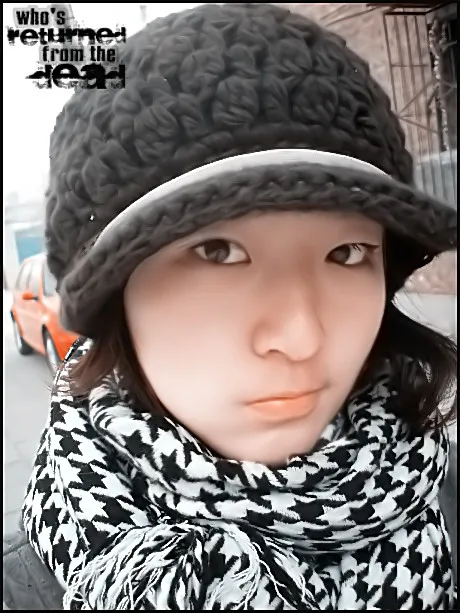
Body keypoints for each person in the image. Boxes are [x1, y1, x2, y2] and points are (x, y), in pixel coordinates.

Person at [3, 3, 457, 610]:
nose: (301, 336)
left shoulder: (443, 494)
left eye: (347, 253)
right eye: (217, 251)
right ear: (116, 295)